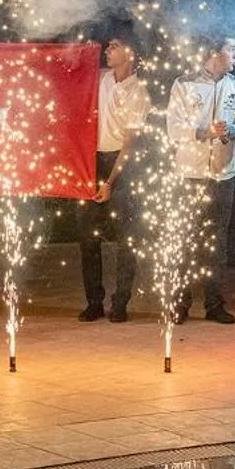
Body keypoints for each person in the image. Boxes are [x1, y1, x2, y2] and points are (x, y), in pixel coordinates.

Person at [165, 37, 235, 324]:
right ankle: (180, 303)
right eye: (231, 50)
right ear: (215, 52)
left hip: (223, 175)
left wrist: (230, 131)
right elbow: (173, 128)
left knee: (216, 242)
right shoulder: (184, 84)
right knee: (185, 240)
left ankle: (214, 304)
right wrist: (204, 132)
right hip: (189, 174)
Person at [81, 28, 152, 322]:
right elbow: (72, 72)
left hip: (121, 164)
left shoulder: (139, 92)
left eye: (115, 46)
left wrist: (110, 181)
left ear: (130, 53)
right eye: (108, 45)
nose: (108, 50)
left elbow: (129, 144)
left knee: (126, 237)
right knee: (88, 236)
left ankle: (120, 301)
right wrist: (80, 53)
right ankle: (93, 302)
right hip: (92, 159)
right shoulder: (101, 79)